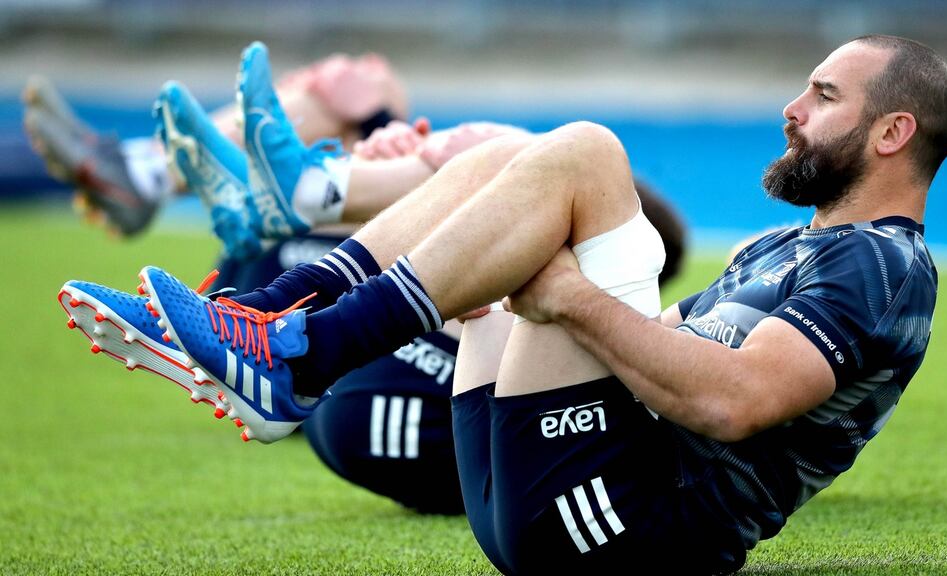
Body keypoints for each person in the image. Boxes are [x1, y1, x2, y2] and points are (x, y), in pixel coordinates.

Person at [73, 34, 947, 574]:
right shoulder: (784, 249)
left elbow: (728, 402)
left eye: (824, 96)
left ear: (892, 134)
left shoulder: (882, 268)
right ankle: (272, 316)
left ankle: (295, 355)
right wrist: (496, 280)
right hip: (561, 500)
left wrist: (571, 295)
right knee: (511, 162)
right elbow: (662, 349)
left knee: (585, 154)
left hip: (630, 532)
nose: (791, 108)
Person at [58, 42, 687, 516]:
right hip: (429, 412)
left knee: (563, 153)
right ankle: (262, 280)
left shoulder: (580, 229)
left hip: (459, 441)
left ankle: (279, 245)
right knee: (384, 98)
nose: (789, 109)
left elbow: (726, 397)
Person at [23, 51, 409, 237]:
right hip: (404, 181)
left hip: (425, 199)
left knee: (364, 84)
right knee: (366, 79)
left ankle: (148, 171)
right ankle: (147, 167)